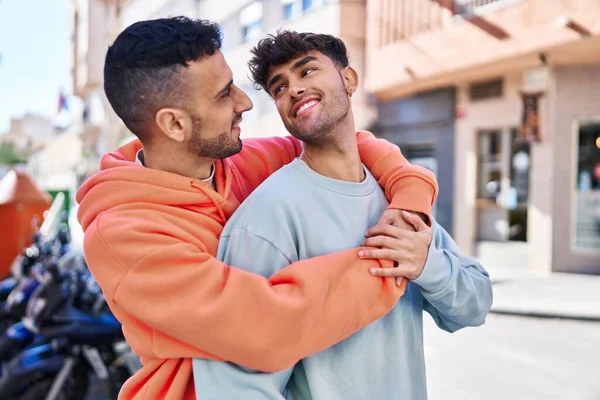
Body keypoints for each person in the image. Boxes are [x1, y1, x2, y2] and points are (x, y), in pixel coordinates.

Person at [75, 17, 439, 400]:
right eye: (223, 94)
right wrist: (395, 260)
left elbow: (349, 144)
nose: (245, 102)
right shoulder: (124, 236)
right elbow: (268, 327)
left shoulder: (243, 160)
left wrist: (410, 205)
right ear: (174, 124)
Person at [192, 31, 493, 399]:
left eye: (307, 72)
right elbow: (237, 382)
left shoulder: (396, 202)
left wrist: (426, 264)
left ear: (348, 79)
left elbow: (474, 305)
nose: (295, 90)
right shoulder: (268, 215)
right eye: (280, 87)